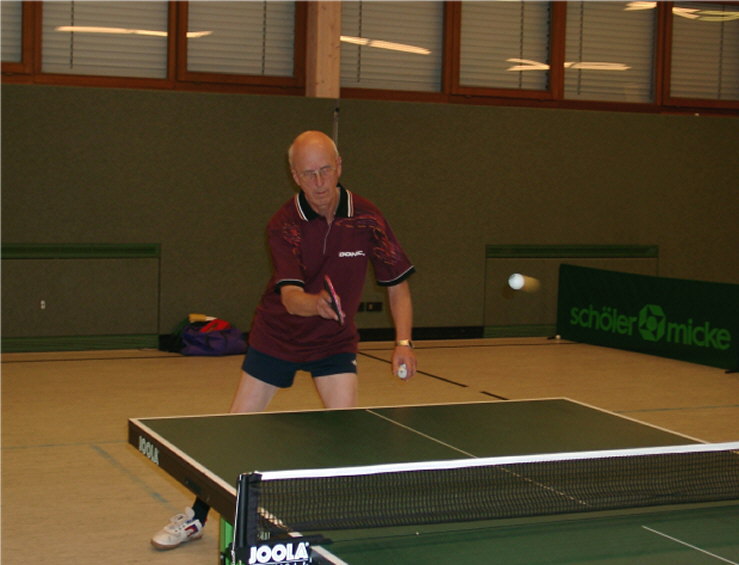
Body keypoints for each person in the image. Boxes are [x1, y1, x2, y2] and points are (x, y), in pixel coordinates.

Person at [151, 130, 417, 549]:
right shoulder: (284, 223)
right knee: (237, 431)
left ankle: (340, 521)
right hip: (278, 336)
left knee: (346, 434)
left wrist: (403, 343)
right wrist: (317, 304)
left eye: (325, 170)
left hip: (334, 342)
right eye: (308, 173)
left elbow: (397, 284)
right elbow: (290, 297)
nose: (319, 182)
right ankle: (197, 516)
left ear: (340, 166)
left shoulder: (367, 218)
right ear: (294, 175)